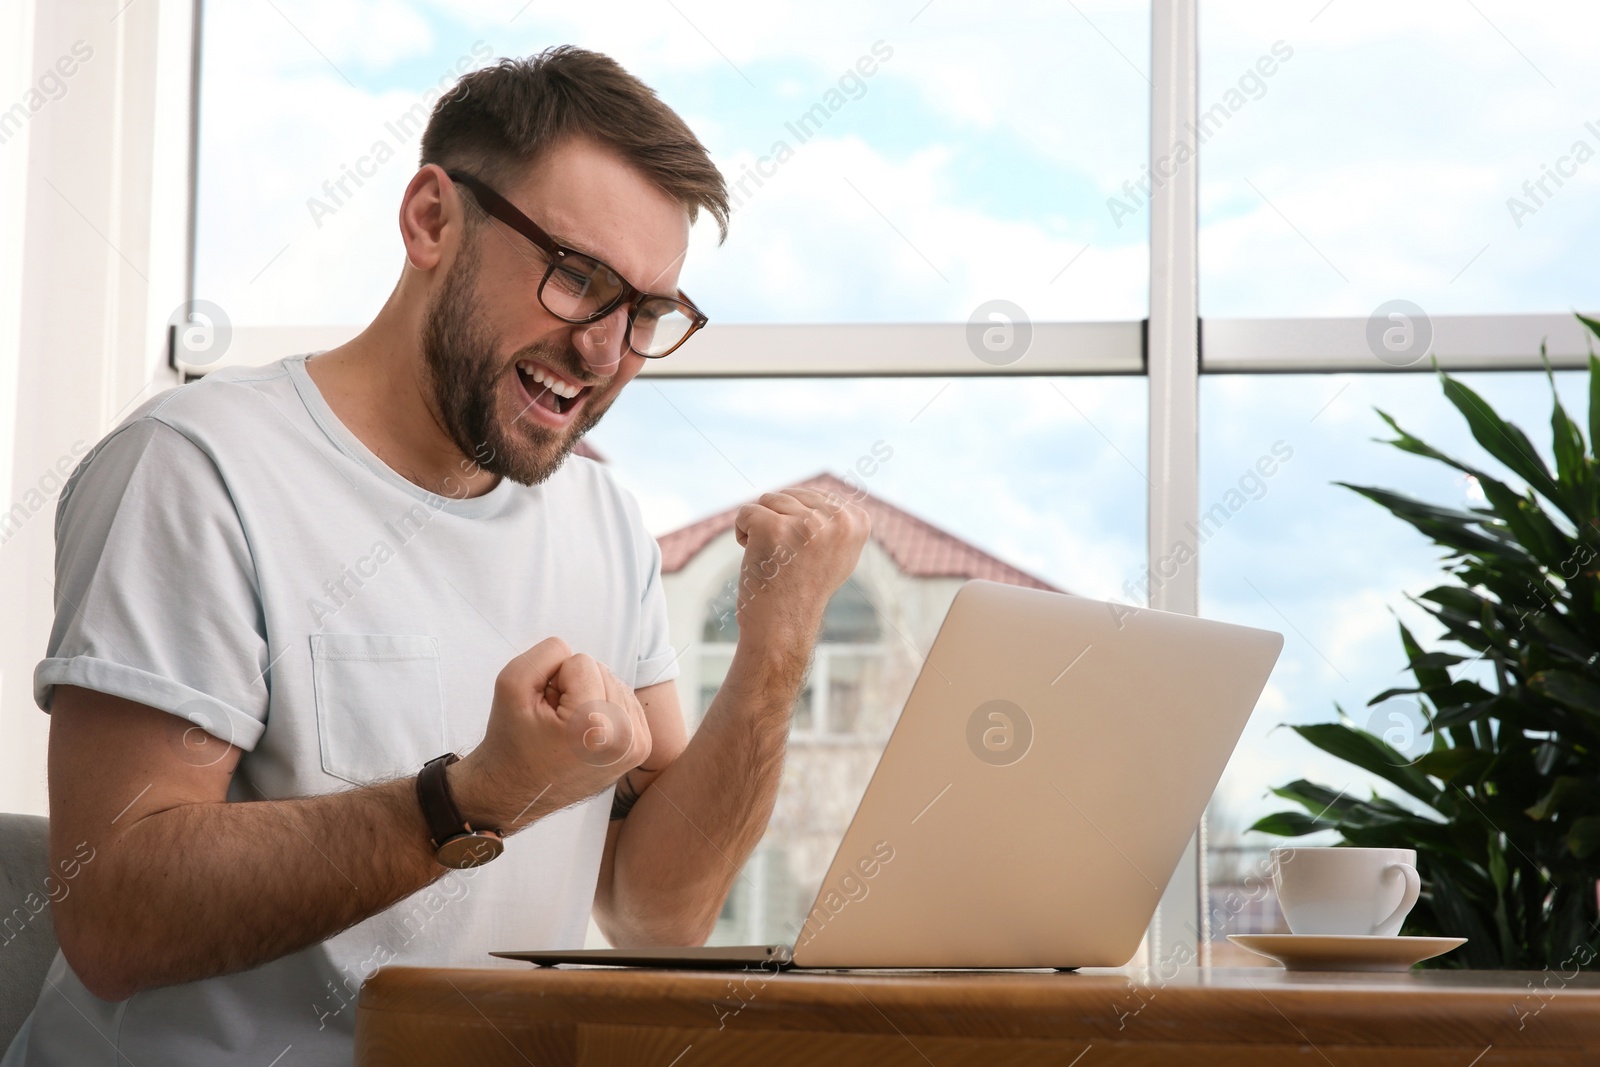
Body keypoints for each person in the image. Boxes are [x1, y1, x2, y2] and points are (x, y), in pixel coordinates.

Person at [3, 46, 868, 1067]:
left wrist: (773, 655)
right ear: (430, 220)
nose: (603, 349)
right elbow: (113, 915)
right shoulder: (197, 469)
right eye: (577, 277)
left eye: (643, 311)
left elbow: (655, 910)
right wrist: (472, 798)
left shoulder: (601, 519)